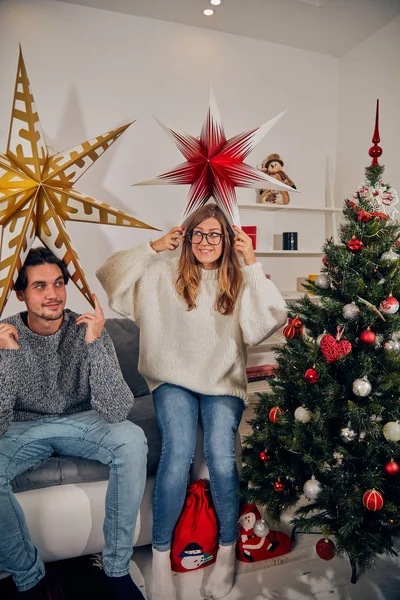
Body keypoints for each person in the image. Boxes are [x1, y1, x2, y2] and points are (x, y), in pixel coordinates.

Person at [96, 204, 287, 600]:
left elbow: (266, 321)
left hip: (222, 381)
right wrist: (151, 246)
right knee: (178, 451)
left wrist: (251, 263)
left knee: (220, 454)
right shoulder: (162, 271)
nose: (205, 242)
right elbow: (109, 276)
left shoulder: (236, 278)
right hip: (171, 379)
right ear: (186, 235)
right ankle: (162, 557)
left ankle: (228, 549)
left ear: (227, 240)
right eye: (198, 233)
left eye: (215, 234)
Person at [0, 247, 148, 600]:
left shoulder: (88, 329)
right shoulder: (6, 336)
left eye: (57, 284)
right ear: (21, 294)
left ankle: (115, 569)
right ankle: (29, 579)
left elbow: (116, 411)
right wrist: (6, 358)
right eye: (39, 286)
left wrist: (95, 343)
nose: (52, 295)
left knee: (131, 439)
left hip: (83, 421)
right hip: (23, 428)